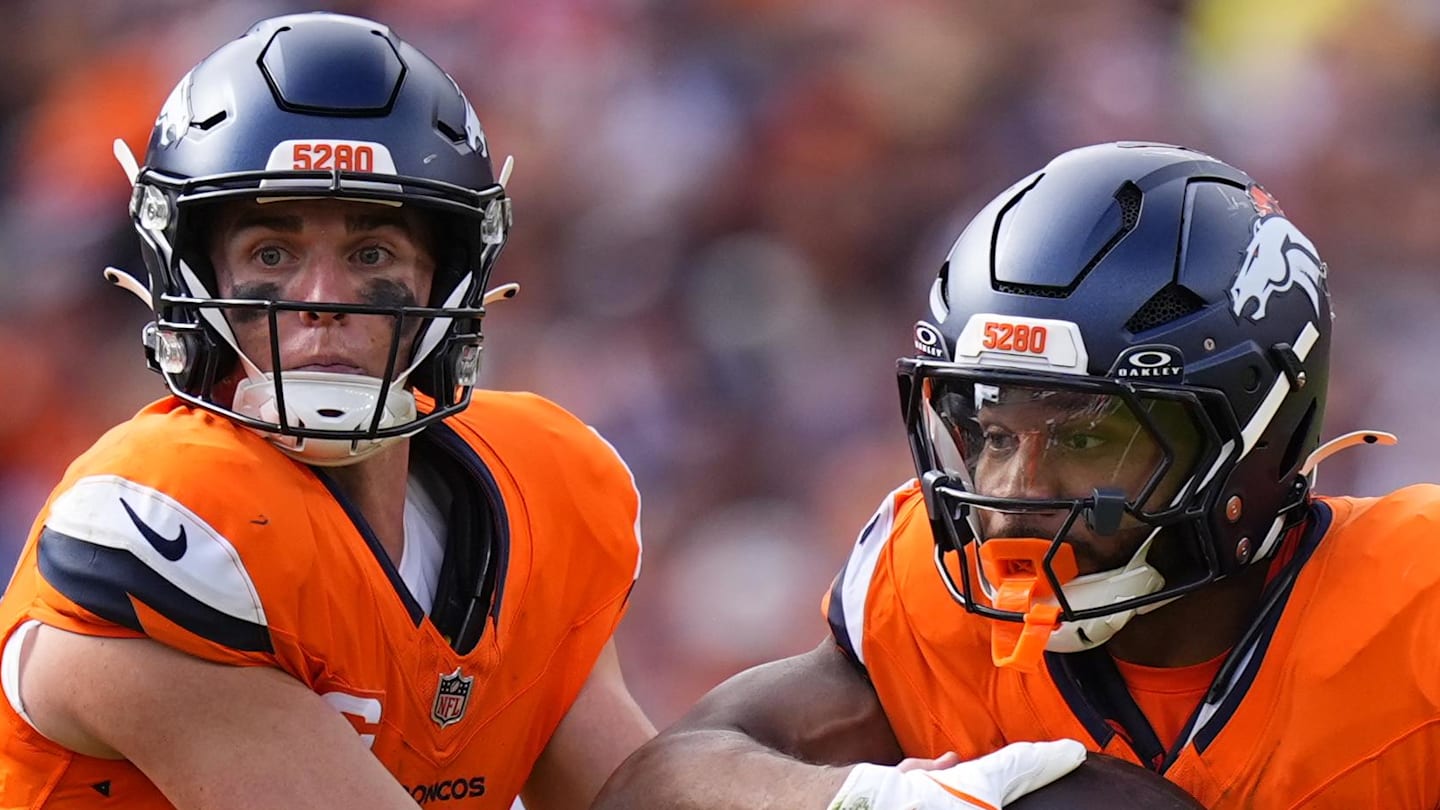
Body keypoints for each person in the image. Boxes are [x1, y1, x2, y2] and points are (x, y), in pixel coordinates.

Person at [593, 142, 1440, 809]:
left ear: (1257, 434)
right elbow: (662, 780)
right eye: (993, 432)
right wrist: (887, 800)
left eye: (1085, 439)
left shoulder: (1414, 608)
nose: (1013, 497)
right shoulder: (937, 594)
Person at [0, 12, 654, 809]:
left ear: (450, 280)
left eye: (370, 254)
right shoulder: (170, 519)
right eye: (271, 254)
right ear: (191, 276)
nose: (320, 302)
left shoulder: (541, 492)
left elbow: (636, 794)